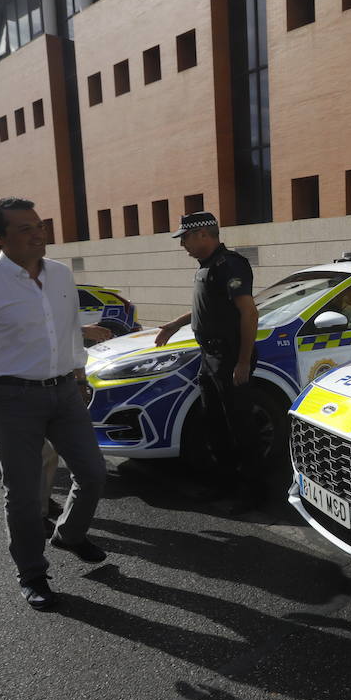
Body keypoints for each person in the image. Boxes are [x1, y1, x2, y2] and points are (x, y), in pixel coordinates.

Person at [0, 196, 108, 611]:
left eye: (39, 226)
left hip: (64, 391)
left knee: (92, 473)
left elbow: (69, 330)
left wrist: (79, 373)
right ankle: (32, 572)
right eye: (25, 229)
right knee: (23, 491)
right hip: (10, 396)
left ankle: (68, 535)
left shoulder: (60, 275)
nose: (38, 234)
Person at [154, 211, 265, 511]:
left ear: (204, 234)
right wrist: (176, 323)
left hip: (229, 358)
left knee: (240, 425)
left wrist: (242, 362)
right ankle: (225, 484)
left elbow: (249, 313)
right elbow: (211, 307)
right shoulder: (208, 267)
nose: (182, 245)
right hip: (211, 357)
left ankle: (253, 493)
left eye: (185, 238)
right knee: (215, 424)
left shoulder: (229, 265)